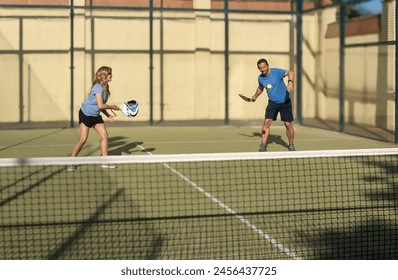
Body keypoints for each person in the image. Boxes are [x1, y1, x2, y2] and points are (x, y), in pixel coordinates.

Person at [67, 66, 120, 171]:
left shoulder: (106, 87)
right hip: (86, 114)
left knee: (104, 135)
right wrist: (112, 107)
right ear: (104, 76)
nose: (111, 75)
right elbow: (101, 105)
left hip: (96, 115)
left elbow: (100, 105)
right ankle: (71, 161)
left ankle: (105, 161)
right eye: (110, 74)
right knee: (83, 139)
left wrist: (108, 115)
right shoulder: (98, 88)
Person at [250, 58, 296, 152]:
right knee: (266, 122)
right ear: (258, 69)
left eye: (264, 67)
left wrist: (290, 82)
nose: (263, 69)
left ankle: (291, 144)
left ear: (268, 65)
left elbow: (291, 72)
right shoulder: (260, 78)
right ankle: (263, 145)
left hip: (285, 101)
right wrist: (254, 96)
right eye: (260, 68)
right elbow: (260, 88)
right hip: (272, 102)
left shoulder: (277, 72)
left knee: (287, 124)